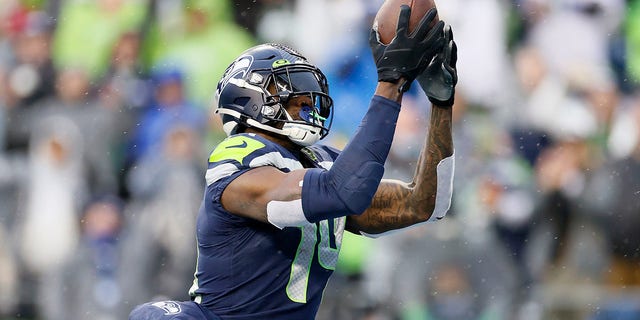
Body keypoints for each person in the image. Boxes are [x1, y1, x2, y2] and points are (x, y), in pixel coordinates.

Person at [129, 6, 458, 320]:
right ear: (248, 96)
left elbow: (424, 203)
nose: (304, 101)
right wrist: (391, 83)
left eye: (306, 93)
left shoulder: (322, 162)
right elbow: (342, 191)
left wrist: (440, 103)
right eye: (287, 90)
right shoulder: (238, 156)